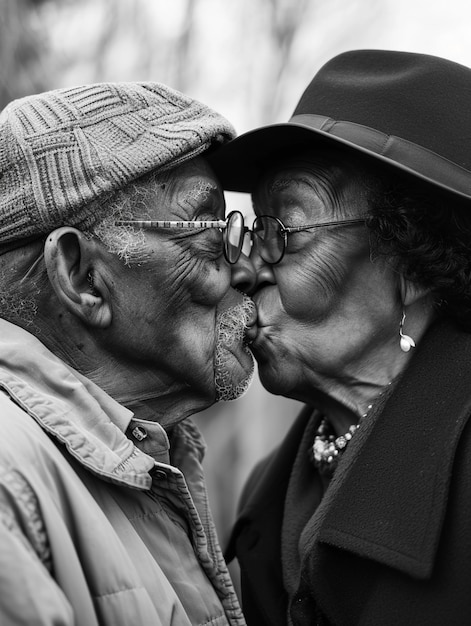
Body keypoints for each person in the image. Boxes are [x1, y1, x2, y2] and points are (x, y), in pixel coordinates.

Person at [211, 50, 471, 625]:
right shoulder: (267, 494)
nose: (245, 269)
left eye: (286, 230)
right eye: (254, 229)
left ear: (412, 264)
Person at [0, 81, 256, 625]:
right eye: (211, 231)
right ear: (83, 277)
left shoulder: (146, 451)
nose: (247, 269)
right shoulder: (10, 485)